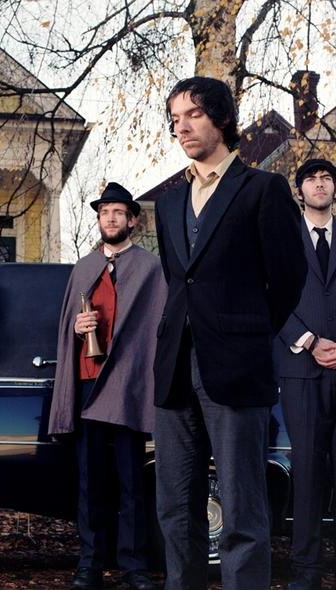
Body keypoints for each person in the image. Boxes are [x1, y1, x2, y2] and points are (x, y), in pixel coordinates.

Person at [153, 76, 307, 589]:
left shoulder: (263, 189)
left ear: (221, 117)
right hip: (174, 367)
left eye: (193, 114)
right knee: (176, 508)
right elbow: (178, 281)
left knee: (242, 510)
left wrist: (247, 332)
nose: (182, 127)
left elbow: (288, 277)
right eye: (175, 119)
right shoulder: (169, 203)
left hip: (237, 367)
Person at [48, 183, 167, 590]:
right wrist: (76, 327)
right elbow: (65, 327)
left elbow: (156, 327)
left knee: (133, 480)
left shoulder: (150, 268)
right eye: (104, 212)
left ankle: (134, 566)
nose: (110, 218)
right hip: (88, 383)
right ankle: (90, 564)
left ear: (132, 220)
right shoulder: (83, 268)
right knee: (90, 479)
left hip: (129, 385)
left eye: (118, 212)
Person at [275, 158, 336, 590]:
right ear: (300, 191)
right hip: (300, 369)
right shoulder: (284, 239)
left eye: (326, 178)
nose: (319, 184)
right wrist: (311, 341)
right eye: (311, 179)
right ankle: (307, 571)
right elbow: (272, 297)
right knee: (309, 472)